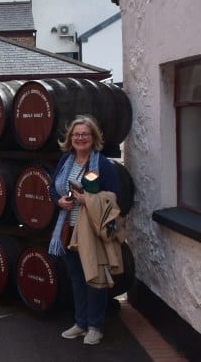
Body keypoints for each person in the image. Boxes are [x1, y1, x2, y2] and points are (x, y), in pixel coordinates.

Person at [48, 115, 120, 345]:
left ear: (93, 138)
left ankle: (95, 327)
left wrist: (86, 199)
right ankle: (80, 323)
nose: (80, 138)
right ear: (70, 138)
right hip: (68, 229)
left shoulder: (102, 164)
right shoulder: (66, 161)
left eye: (85, 134)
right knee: (77, 279)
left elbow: (113, 197)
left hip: (90, 231)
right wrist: (59, 201)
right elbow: (52, 188)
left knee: (94, 278)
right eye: (76, 135)